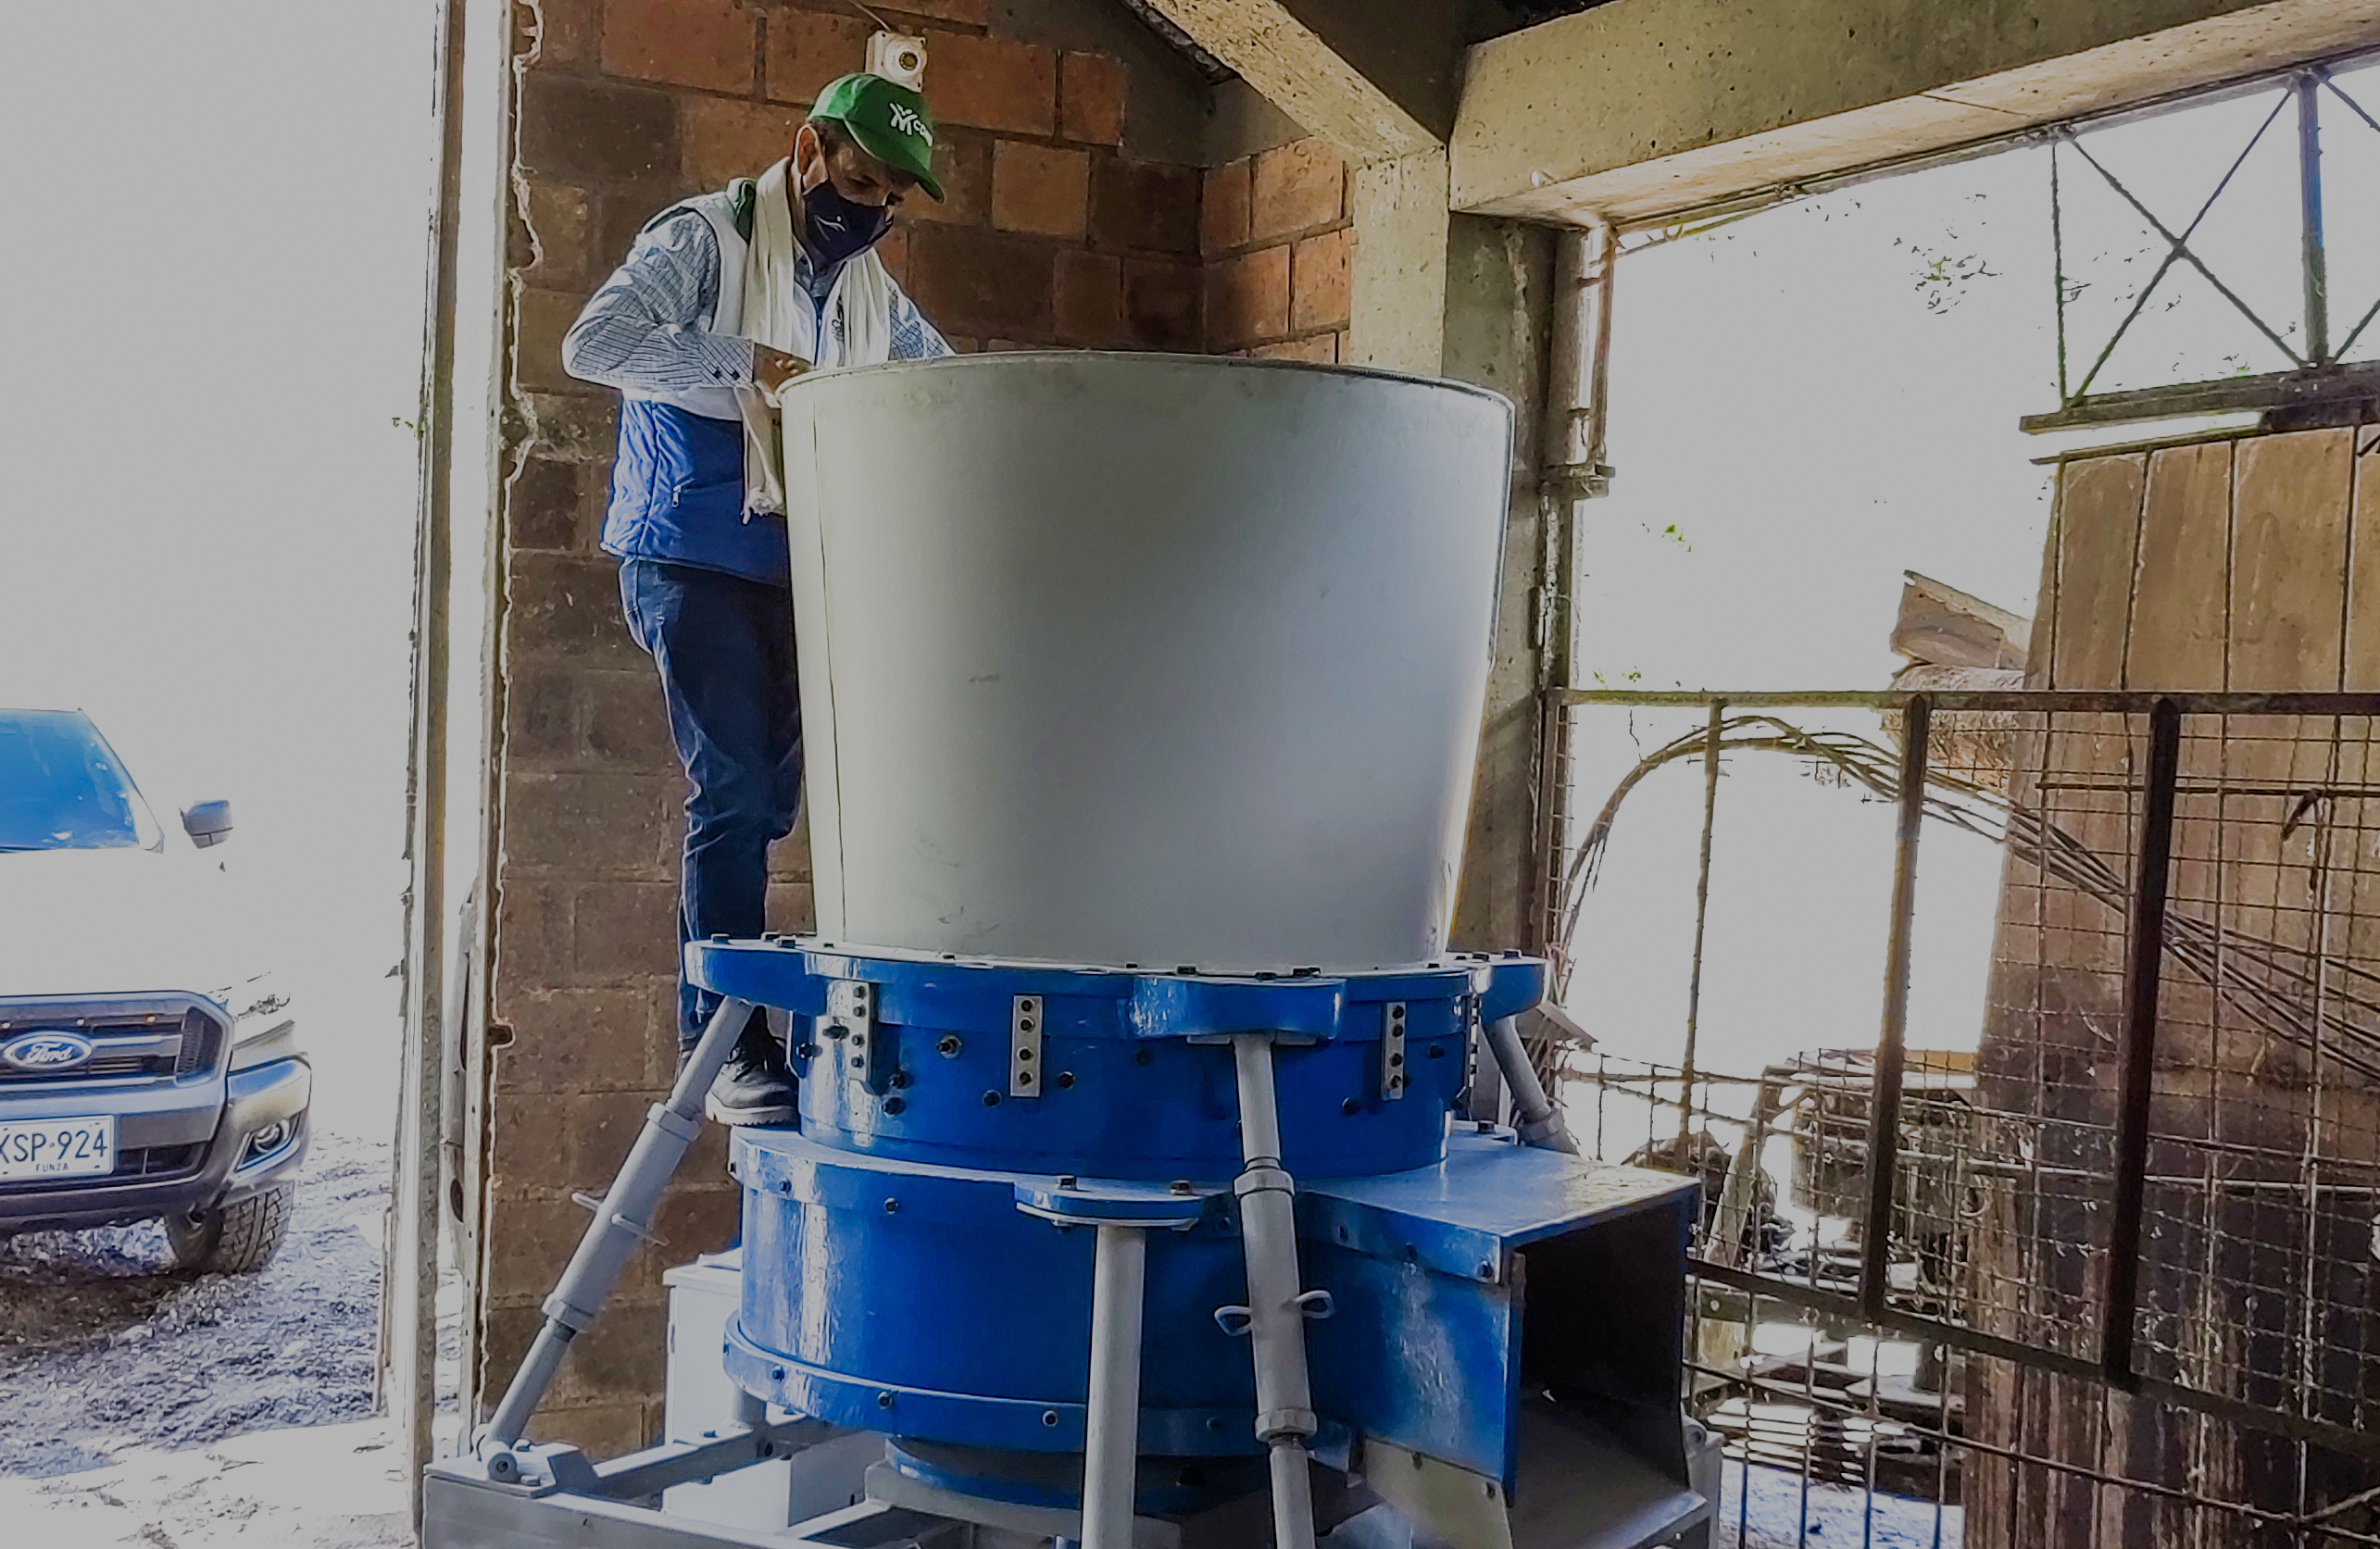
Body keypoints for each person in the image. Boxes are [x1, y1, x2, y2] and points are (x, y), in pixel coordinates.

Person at [561, 73, 950, 1124]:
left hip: (805, 569)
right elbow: (592, 345)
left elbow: (941, 390)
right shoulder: (705, 239)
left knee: (773, 804)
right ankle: (725, 1040)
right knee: (733, 792)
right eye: (856, 181)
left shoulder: (871, 294)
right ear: (808, 148)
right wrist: (747, 361)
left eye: (888, 199)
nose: (864, 212)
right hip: (689, 551)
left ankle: (762, 1021)